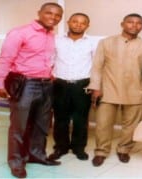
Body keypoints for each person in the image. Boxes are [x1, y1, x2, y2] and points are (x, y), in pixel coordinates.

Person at [0, 2, 63, 178]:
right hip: (25, 85)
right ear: (39, 13)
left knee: (42, 125)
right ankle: (16, 161)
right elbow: (5, 59)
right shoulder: (20, 32)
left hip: (47, 84)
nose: (53, 18)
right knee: (19, 127)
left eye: (58, 15)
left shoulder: (51, 35)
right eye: (49, 13)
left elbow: (49, 59)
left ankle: (36, 155)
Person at [87, 13, 142, 167]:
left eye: (138, 23)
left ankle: (124, 149)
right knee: (103, 124)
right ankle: (101, 152)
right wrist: (96, 87)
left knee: (131, 125)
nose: (134, 25)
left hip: (135, 90)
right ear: (122, 24)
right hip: (108, 89)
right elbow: (97, 67)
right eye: (130, 22)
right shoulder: (106, 42)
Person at [48, 13, 95, 161]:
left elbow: (97, 66)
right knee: (60, 118)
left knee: (81, 119)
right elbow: (49, 59)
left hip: (82, 85)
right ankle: (60, 148)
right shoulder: (56, 40)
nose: (78, 25)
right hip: (60, 84)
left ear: (87, 25)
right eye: (75, 21)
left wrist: (95, 86)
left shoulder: (92, 43)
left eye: (82, 23)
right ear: (68, 22)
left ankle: (78, 148)